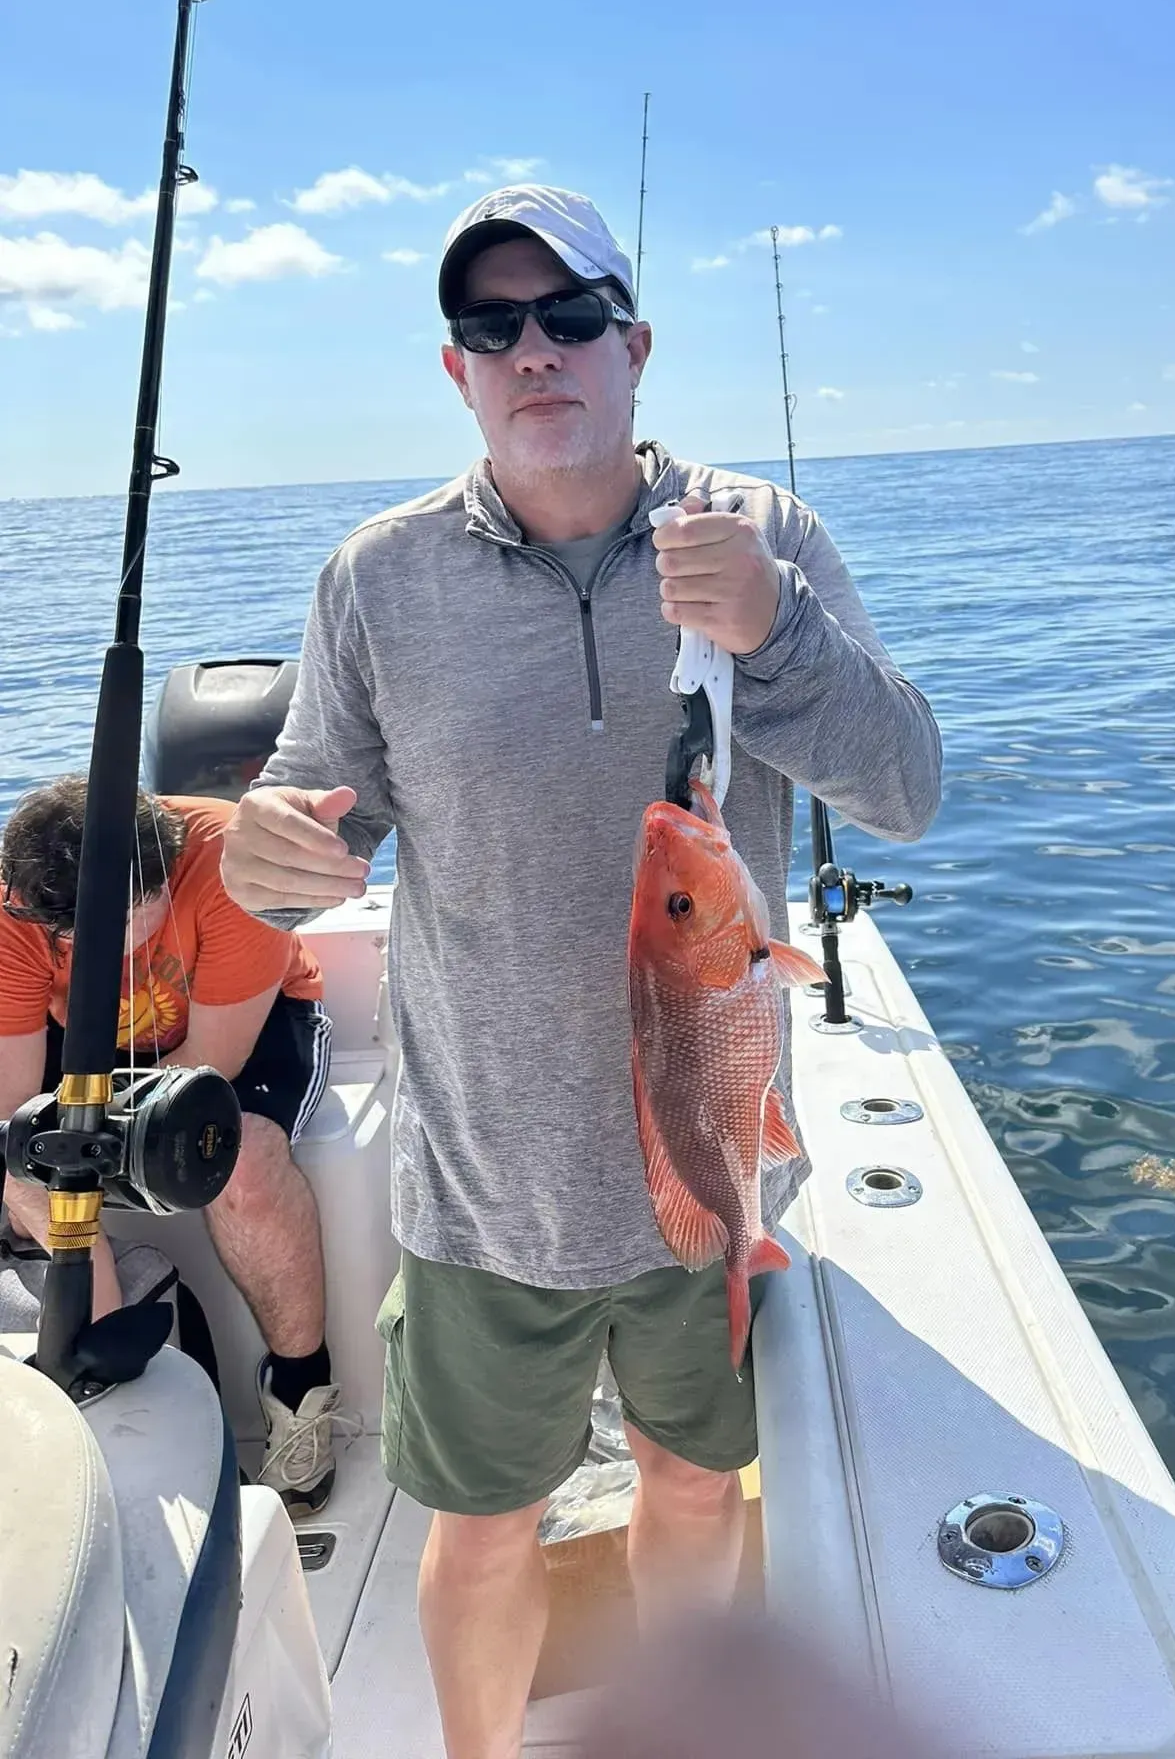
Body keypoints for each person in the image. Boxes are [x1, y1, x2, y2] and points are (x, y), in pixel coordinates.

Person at [220, 182, 943, 1759]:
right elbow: (307, 798)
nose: (532, 349)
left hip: (706, 1166)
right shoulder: (375, 579)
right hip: (481, 1182)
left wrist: (781, 632)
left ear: (635, 347)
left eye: (568, 318)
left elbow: (908, 788)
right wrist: (272, 853)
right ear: (456, 369)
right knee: (482, 1527)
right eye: (493, 326)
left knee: (695, 1482)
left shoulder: (762, 536)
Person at [0, 780, 343, 1514]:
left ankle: (299, 1387)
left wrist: (95, 1141)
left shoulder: (226, 861)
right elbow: (15, 1117)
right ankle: (102, 1398)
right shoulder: (18, 905)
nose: (76, 950)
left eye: (99, 930)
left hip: (240, 1025)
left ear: (164, 873)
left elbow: (208, 1063)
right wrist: (95, 1299)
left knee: (243, 1158)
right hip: (86, 1037)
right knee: (27, 1163)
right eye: (63, 938)